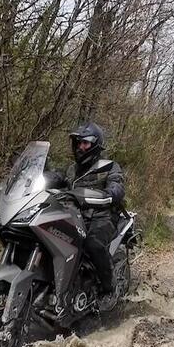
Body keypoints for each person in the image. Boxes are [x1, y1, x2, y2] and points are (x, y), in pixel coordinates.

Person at [46, 122, 125, 308]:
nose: (80, 147)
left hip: (102, 217)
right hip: (74, 216)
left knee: (93, 244)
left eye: (85, 143)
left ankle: (108, 289)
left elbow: (117, 185)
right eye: (78, 142)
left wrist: (110, 193)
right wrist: (39, 178)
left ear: (95, 145)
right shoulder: (72, 169)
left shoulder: (109, 167)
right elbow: (57, 178)